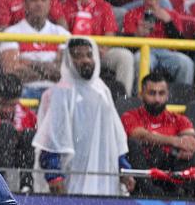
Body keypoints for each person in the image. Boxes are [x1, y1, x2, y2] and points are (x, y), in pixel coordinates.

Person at [32, 36, 130, 195]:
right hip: (71, 175)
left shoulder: (103, 91)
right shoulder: (62, 93)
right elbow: (52, 139)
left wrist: (123, 166)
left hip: (103, 172)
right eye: (77, 56)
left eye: (89, 55)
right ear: (69, 60)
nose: (85, 60)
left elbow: (115, 135)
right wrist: (54, 175)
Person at [59, 0, 135, 96]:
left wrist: (97, 50)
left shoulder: (104, 6)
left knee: (125, 56)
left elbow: (109, 36)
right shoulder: (64, 5)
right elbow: (62, 34)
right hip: (72, 52)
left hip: (99, 52)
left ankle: (124, 100)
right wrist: (79, 52)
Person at [121, 71, 195, 195]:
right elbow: (139, 135)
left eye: (161, 93)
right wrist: (175, 141)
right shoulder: (130, 116)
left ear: (167, 95)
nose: (157, 99)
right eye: (152, 93)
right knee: (133, 145)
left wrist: (187, 147)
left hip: (168, 174)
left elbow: (192, 141)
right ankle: (152, 192)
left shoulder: (179, 119)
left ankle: (183, 194)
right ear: (141, 95)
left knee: (190, 154)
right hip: (141, 178)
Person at [0, 0, 72, 100]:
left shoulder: (62, 34)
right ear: (25, 5)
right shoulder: (11, 32)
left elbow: (65, 72)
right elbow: (12, 73)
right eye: (34, 0)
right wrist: (49, 71)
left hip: (57, 92)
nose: (39, 4)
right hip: (23, 91)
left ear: (49, 5)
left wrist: (30, 63)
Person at [121, 0, 195, 86]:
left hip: (167, 52)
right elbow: (126, 46)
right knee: (139, 61)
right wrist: (137, 35)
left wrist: (168, 22)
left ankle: (181, 100)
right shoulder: (131, 14)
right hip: (145, 51)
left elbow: (182, 45)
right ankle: (139, 99)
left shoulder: (172, 14)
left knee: (186, 63)